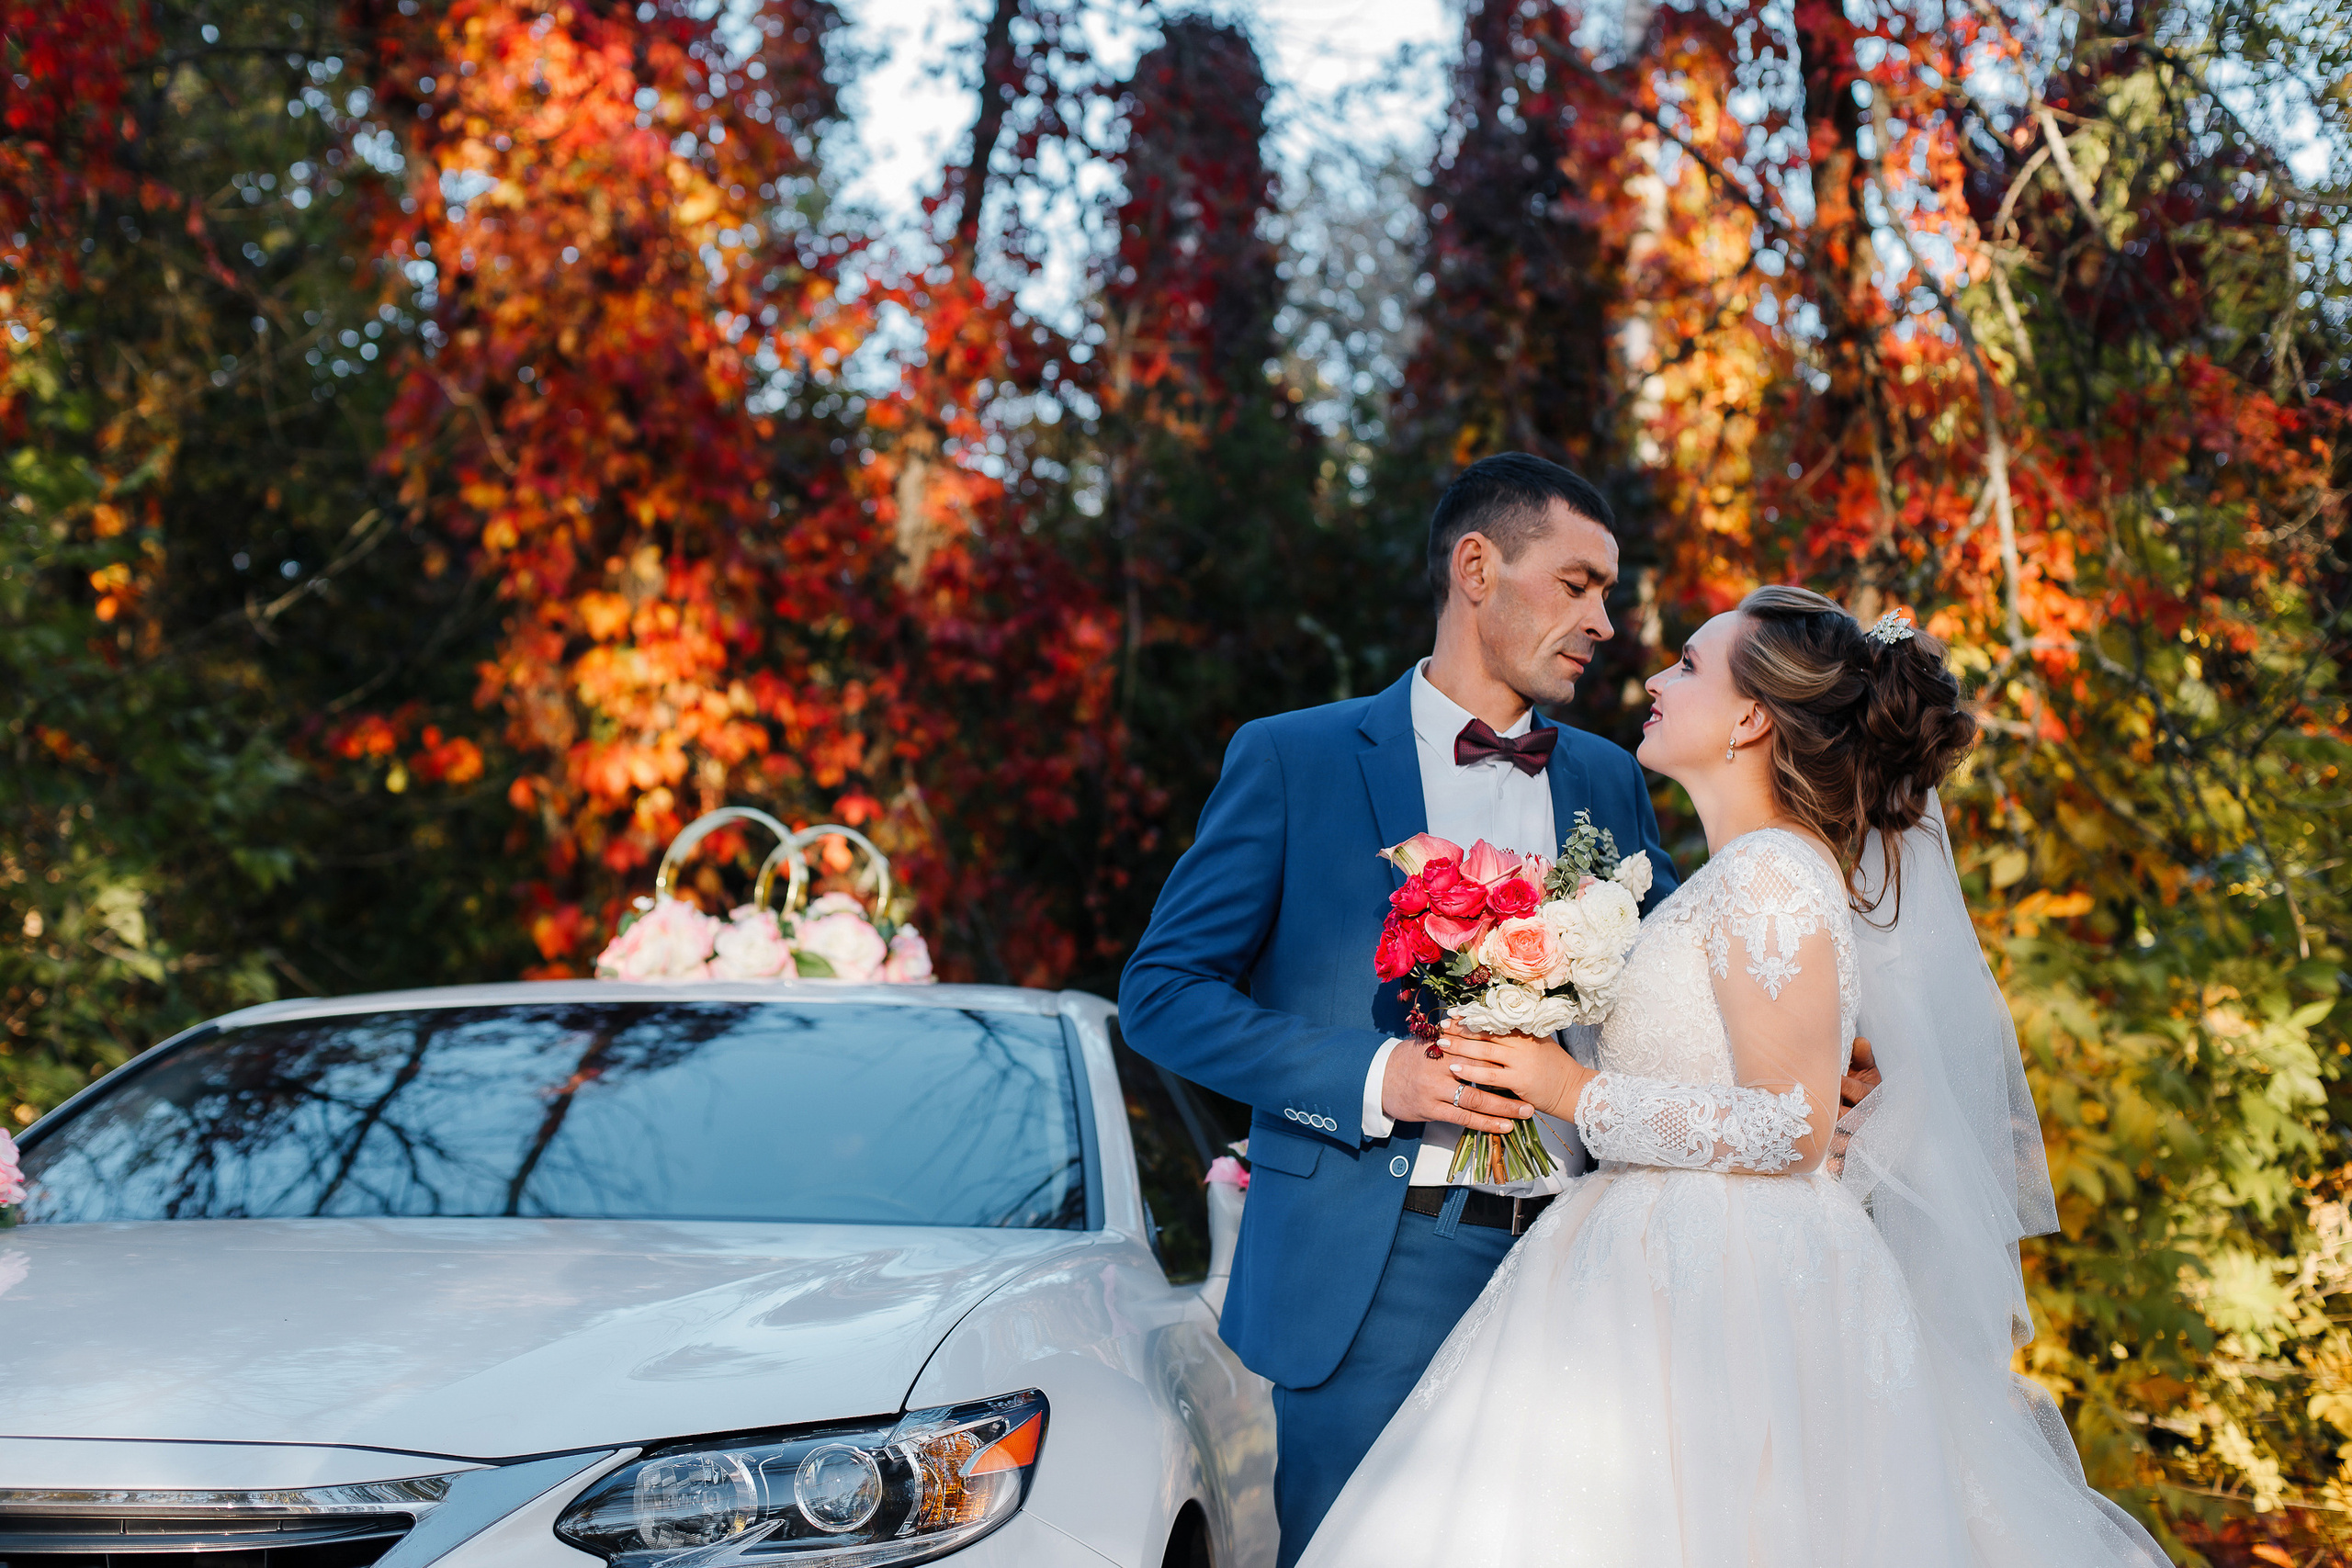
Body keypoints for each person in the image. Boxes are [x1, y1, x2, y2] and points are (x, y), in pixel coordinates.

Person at [1295, 587, 2167, 1566]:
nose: (1657, 679)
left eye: (1689, 665)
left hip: (1722, 1280)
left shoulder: (1771, 878)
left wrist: (1567, 1091)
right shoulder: (1734, 872)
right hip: (1652, 1252)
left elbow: (1788, 1130)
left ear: (1751, 718)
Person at [1119, 452, 1679, 1566]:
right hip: (1377, 1270)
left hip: (1583, 1265)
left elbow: (1666, 994)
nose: (1605, 622)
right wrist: (1380, 1080)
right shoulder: (1291, 758)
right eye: (1578, 584)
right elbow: (1162, 994)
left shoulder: (1612, 778)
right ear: (1478, 567)